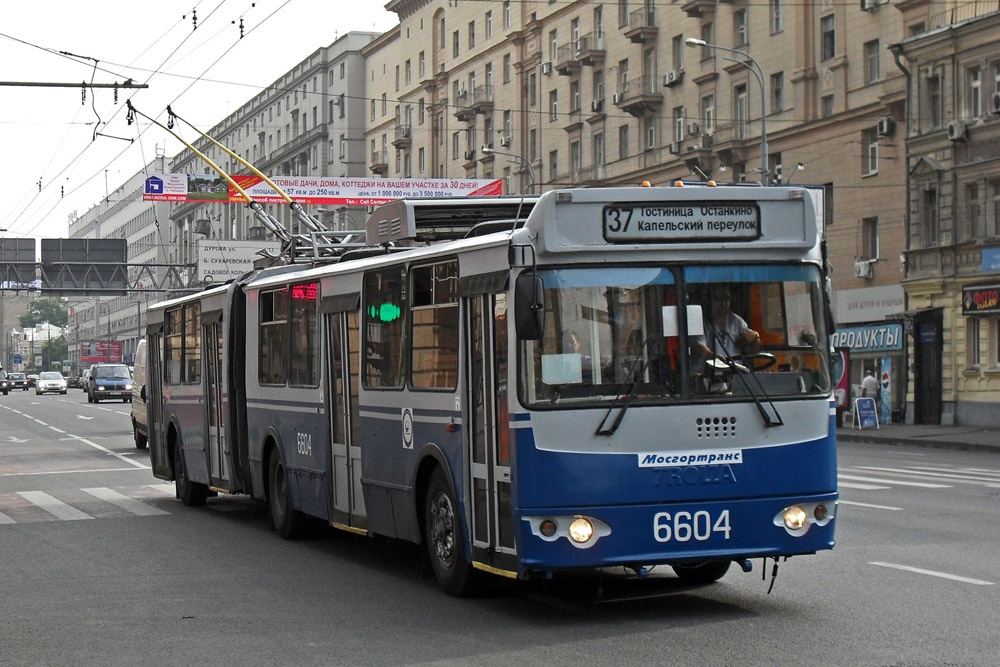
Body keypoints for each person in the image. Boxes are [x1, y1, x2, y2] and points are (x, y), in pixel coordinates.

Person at [691, 284, 761, 361]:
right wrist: (714, 357)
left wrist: (755, 336)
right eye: (717, 299)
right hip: (708, 371)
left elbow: (754, 350)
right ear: (708, 300)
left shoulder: (737, 321)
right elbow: (698, 347)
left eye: (726, 299)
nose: (723, 303)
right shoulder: (700, 321)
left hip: (735, 371)